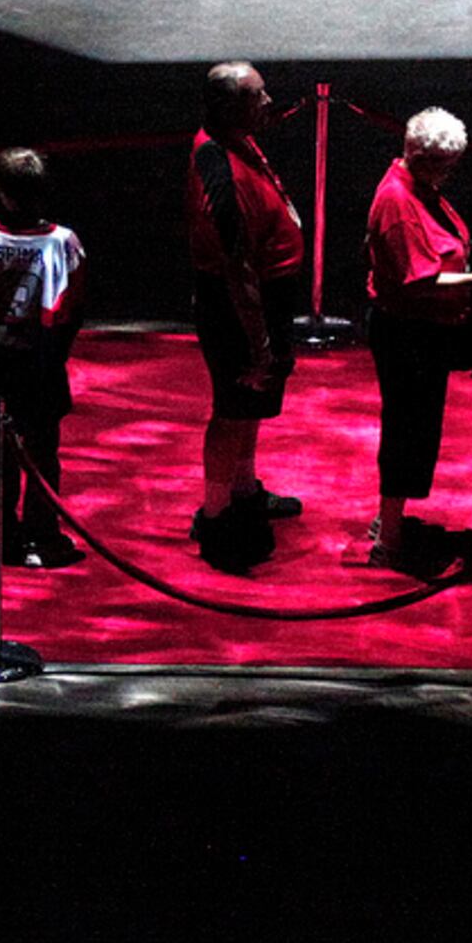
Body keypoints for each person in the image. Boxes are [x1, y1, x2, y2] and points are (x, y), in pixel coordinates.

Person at [364, 106, 472, 572]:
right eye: (443, 164)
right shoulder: (398, 202)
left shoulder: (421, 188)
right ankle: (388, 540)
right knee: (407, 431)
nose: (449, 174)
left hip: (422, 330)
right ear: (419, 156)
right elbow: (419, 280)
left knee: (416, 428)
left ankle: (388, 522)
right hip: (406, 331)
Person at [184, 61, 308, 570]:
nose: (269, 102)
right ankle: (216, 516)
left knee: (252, 405)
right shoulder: (221, 171)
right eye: (258, 96)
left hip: (264, 299)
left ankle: (244, 489)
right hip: (238, 308)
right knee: (234, 407)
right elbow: (237, 271)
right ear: (231, 106)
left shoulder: (236, 138)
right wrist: (259, 344)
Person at [0, 146, 87, 566]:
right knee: (42, 452)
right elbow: (72, 309)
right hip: (43, 363)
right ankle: (42, 533)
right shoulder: (64, 242)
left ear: (2, 194)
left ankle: (0, 534)